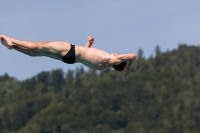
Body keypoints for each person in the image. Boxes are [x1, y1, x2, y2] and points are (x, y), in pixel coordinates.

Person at [0, 35, 136, 81]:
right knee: (36, 53)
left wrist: (127, 69)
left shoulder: (111, 60)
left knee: (39, 46)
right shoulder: (104, 67)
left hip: (70, 50)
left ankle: (12, 40)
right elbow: (86, 55)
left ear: (119, 61)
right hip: (70, 59)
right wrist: (89, 44)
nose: (118, 53)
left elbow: (133, 55)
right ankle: (13, 47)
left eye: (119, 55)